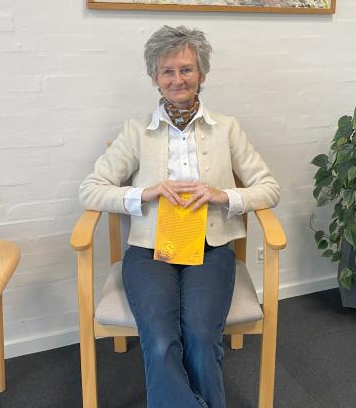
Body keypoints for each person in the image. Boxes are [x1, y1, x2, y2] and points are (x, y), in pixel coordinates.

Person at [79, 25, 280, 408]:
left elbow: (269, 187)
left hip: (211, 249)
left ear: (201, 73)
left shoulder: (227, 129)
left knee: (202, 337)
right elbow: (91, 189)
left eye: (186, 69)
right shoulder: (137, 131)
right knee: (159, 339)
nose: (177, 79)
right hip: (150, 251)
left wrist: (222, 195)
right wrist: (146, 192)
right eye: (167, 71)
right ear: (154, 78)